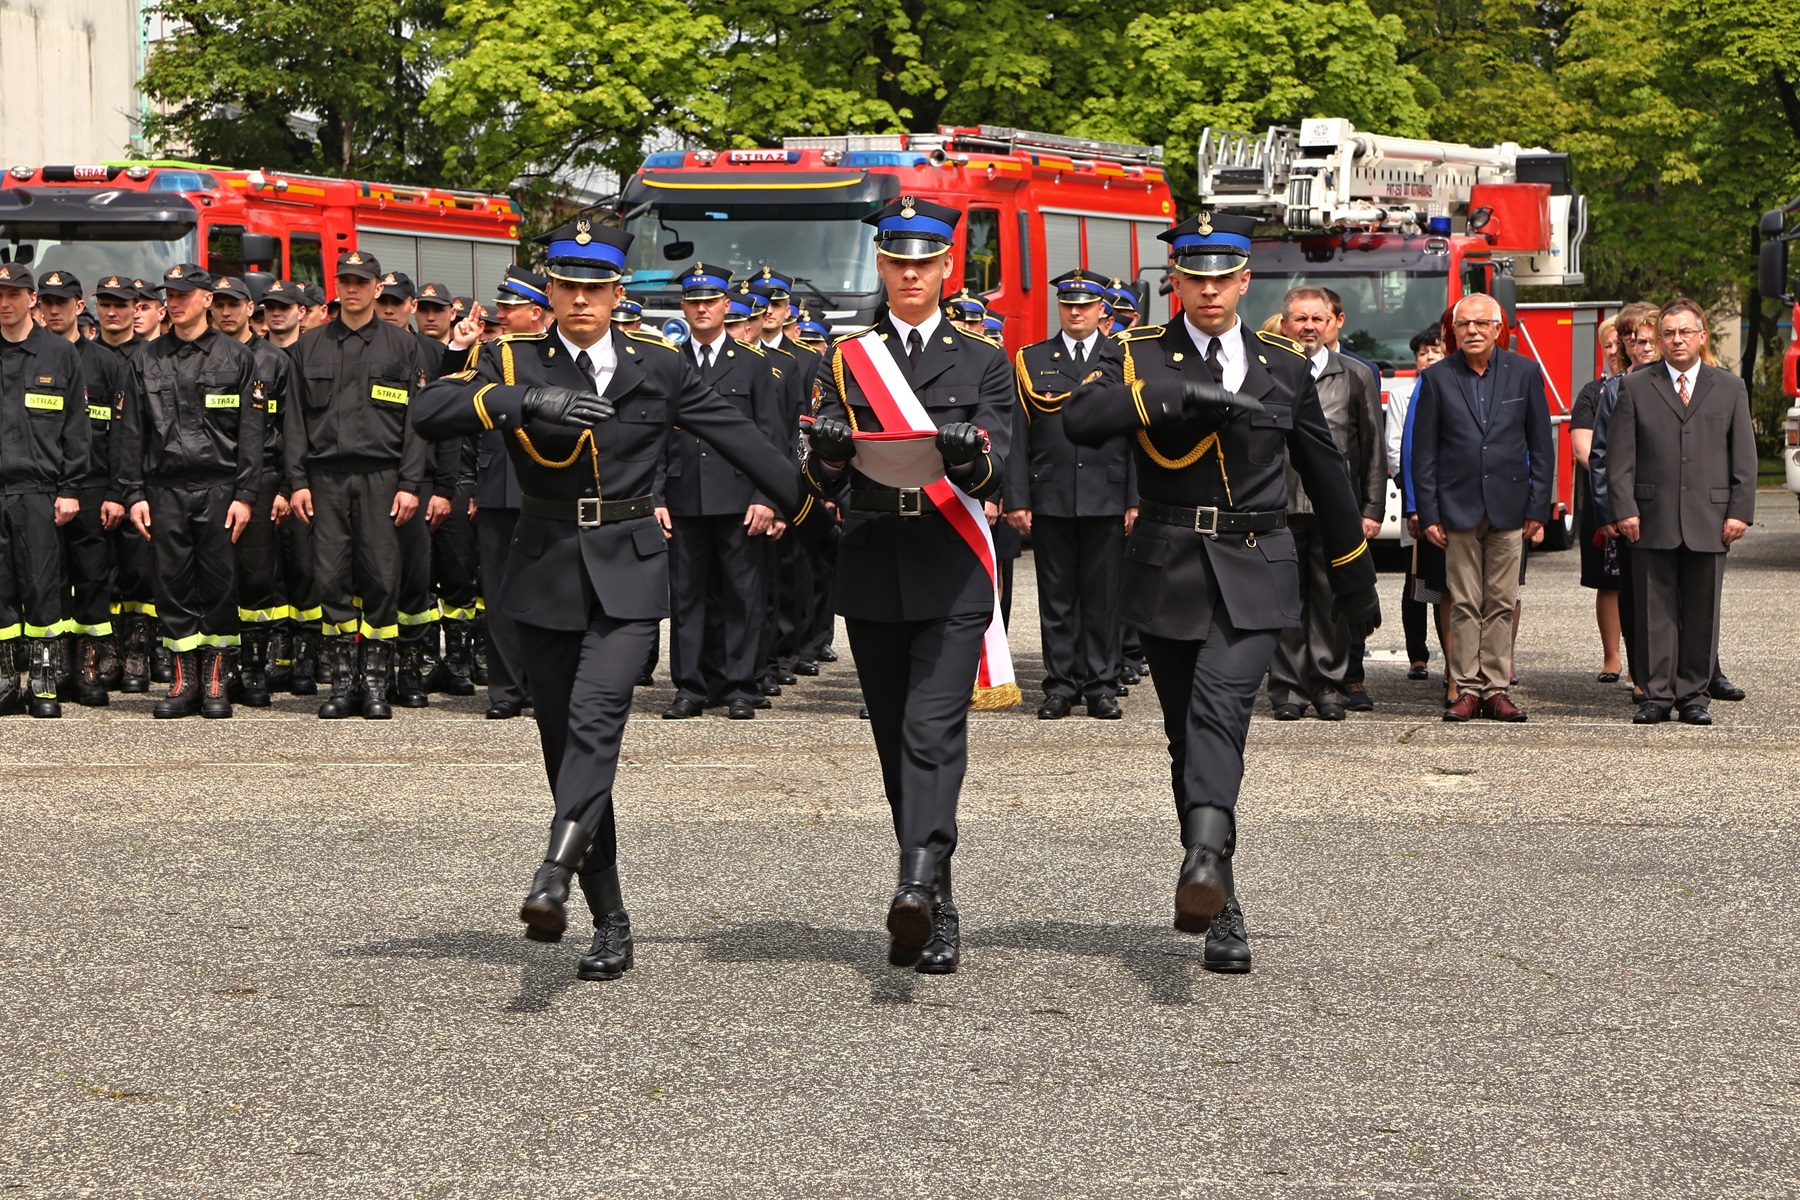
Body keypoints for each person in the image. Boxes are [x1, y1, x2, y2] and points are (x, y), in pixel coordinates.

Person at [413, 218, 832, 980]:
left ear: (615, 293)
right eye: (567, 286)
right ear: (550, 292)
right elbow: (426, 414)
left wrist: (818, 520)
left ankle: (553, 869)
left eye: (595, 287)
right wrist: (521, 400)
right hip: (543, 570)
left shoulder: (658, 364)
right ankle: (610, 917)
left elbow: (742, 441)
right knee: (561, 747)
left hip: (630, 570)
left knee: (597, 718)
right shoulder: (511, 356)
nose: (581, 299)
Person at [1064, 212, 1380, 974]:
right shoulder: (1137, 352)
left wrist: (1354, 572)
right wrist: (1176, 398)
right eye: (1194, 279)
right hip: (1169, 561)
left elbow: (1326, 473)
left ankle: (1205, 858)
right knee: (1186, 735)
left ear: (1245, 282)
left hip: (1256, 559)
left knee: (1220, 710)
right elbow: (1080, 418)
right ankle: (1219, 894)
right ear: (1177, 281)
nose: (1208, 292)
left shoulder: (1283, 361)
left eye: (1223, 279)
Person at [803, 196, 1016, 975]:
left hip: (950, 562)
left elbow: (1003, 463)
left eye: (925, 261)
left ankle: (920, 886)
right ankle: (936, 887)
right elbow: (823, 473)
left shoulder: (984, 358)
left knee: (932, 731)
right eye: (897, 261)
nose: (911, 273)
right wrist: (825, 453)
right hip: (871, 563)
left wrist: (968, 454)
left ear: (947, 268)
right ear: (882, 268)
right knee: (895, 742)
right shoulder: (847, 356)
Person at [286, 250, 433, 720]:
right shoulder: (310, 346)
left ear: (376, 289)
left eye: (361, 281)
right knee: (328, 578)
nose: (353, 288)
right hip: (325, 478)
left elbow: (418, 423)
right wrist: (297, 482)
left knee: (381, 578)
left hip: (383, 478)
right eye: (345, 280)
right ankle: (343, 682)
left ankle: (375, 684)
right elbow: (293, 421)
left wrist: (411, 483)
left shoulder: (403, 347)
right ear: (337, 286)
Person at [118, 264, 262, 719]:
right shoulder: (146, 358)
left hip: (219, 487)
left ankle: (216, 681)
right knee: (172, 582)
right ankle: (185, 682)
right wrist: (133, 494)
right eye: (170, 295)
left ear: (205, 299)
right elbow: (130, 432)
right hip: (164, 488)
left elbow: (252, 433)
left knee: (219, 583)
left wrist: (246, 495)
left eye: (183, 294)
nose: (174, 302)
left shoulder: (235, 357)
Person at [1604, 300, 1754, 725]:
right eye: (1669, 333)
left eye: (1686, 332)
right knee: (1653, 609)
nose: (1677, 340)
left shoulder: (1729, 387)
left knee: (1702, 610)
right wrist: (1624, 508)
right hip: (1650, 517)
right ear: (1660, 338)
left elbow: (1743, 456)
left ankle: (1694, 696)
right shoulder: (1634, 386)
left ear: (1702, 337)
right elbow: (1620, 457)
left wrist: (1740, 511)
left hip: (1711, 517)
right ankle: (1656, 695)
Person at [1410, 293, 1551, 722]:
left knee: (1502, 601)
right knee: (1465, 602)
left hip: (1510, 506)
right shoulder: (1436, 378)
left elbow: (1542, 446)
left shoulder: (1524, 372)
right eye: (1464, 324)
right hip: (1458, 508)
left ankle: (1496, 689)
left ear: (1497, 328)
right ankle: (1466, 689)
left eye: (1480, 323)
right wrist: (1429, 513)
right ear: (1452, 331)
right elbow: (1424, 453)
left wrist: (1538, 508)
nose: (1472, 331)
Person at [657, 267, 788, 721]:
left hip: (739, 498)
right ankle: (691, 687)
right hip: (683, 496)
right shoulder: (667, 362)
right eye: (693, 301)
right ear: (683, 307)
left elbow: (772, 438)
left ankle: (740, 686)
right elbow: (653, 438)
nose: (701, 308)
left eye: (710, 301)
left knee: (741, 595)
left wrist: (766, 497)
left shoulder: (752, 365)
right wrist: (655, 497)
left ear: (726, 306)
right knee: (687, 597)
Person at [1003, 268, 1134, 721]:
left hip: (1107, 493)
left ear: (1103, 310)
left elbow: (1138, 435)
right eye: (1067, 304)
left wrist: (1134, 498)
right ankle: (1059, 686)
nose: (1075, 312)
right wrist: (1016, 497)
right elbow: (1018, 435)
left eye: (1085, 305)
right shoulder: (1032, 358)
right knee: (1056, 598)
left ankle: (1101, 685)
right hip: (1052, 494)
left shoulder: (1123, 359)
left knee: (1102, 597)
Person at [1265, 286, 1385, 721]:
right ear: (1285, 323)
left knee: (1332, 599)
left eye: (1317, 319)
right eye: (1300, 319)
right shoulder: (1266, 370)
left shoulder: (1354, 374)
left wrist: (1372, 509)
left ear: (1332, 322)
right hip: (1277, 504)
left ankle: (1329, 686)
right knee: (1283, 601)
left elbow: (1372, 449)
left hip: (1334, 509)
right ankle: (1288, 691)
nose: (1309, 327)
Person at [0, 264, 89, 718]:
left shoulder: (59, 354)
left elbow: (76, 429)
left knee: (41, 588)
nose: (4, 302)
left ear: (32, 299)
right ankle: (3, 682)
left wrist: (71, 487)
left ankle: (42, 680)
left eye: (14, 294)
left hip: (39, 489)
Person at [36, 271, 129, 705]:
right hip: (44, 485)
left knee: (93, 578)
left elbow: (122, 433)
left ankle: (88, 669)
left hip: (93, 486)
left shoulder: (106, 362)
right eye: (47, 302)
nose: (54, 310)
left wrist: (116, 492)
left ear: (79, 305)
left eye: (63, 302)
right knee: (50, 580)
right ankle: (54, 668)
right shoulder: (32, 357)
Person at [208, 275, 294, 707]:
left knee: (259, 575)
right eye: (219, 304)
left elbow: (288, 428)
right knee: (218, 576)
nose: (225, 312)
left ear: (250, 308)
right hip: (215, 477)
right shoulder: (205, 356)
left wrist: (284, 485)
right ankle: (221, 669)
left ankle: (256, 668)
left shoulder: (274, 361)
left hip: (262, 478)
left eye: (233, 304)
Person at [1388, 326, 1445, 682]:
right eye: (1423, 352)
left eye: (1435, 351)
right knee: (1416, 582)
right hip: (1415, 500)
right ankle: (1417, 655)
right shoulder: (1402, 396)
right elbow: (1396, 450)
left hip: (1449, 502)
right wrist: (1413, 497)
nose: (1429, 358)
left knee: (1443, 585)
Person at [1572, 316, 1626, 682]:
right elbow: (1583, 450)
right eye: (1606, 346)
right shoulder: (1592, 393)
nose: (1612, 352)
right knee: (1607, 583)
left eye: (1617, 344)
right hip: (1603, 499)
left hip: (1644, 500)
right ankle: (1612, 658)